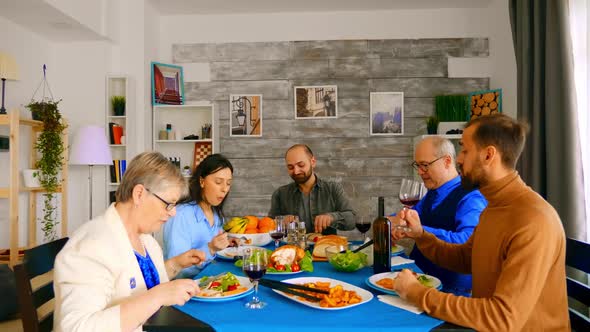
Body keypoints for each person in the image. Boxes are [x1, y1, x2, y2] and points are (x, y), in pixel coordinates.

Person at [392, 114, 569, 331]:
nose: (458, 159)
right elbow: (466, 258)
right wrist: (420, 235)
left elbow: (502, 319)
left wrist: (417, 293)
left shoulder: (533, 220)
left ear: (488, 155)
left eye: (465, 150)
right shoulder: (494, 206)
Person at [54, 152, 205, 332]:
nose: (173, 213)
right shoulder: (91, 247)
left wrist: (175, 264)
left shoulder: (146, 241)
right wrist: (156, 297)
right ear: (139, 194)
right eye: (169, 204)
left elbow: (139, 281)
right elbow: (77, 328)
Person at [391, 136, 487, 296]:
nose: (420, 172)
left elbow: (467, 241)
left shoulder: (471, 197)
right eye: (418, 165)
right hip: (419, 279)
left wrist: (419, 231)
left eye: (425, 165)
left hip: (450, 291)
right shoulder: (432, 194)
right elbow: (408, 217)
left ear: (447, 161)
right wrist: (392, 222)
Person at [163, 154, 233, 278]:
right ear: (202, 181)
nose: (224, 189)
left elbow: (217, 252)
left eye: (228, 183)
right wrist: (210, 248)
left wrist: (226, 243)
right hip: (185, 289)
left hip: (212, 282)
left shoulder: (216, 214)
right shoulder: (181, 215)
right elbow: (176, 269)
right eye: (218, 182)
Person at [268, 144, 356, 234]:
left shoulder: (333, 189)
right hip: (292, 247)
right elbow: (267, 226)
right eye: (290, 167)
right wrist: (280, 222)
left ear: (313, 162)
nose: (296, 171)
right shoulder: (280, 193)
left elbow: (352, 221)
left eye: (301, 165)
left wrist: (332, 217)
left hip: (326, 247)